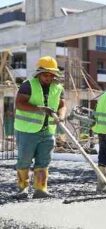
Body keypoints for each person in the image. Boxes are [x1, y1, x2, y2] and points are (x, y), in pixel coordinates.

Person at [14, 56, 66, 198]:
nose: (48, 77)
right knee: (24, 160)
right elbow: (19, 103)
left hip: (48, 131)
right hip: (27, 131)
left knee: (43, 161)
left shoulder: (58, 88)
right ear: (39, 73)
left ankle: (40, 189)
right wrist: (39, 109)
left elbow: (62, 105)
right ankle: (22, 188)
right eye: (45, 74)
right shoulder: (28, 85)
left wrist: (61, 116)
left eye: (51, 75)